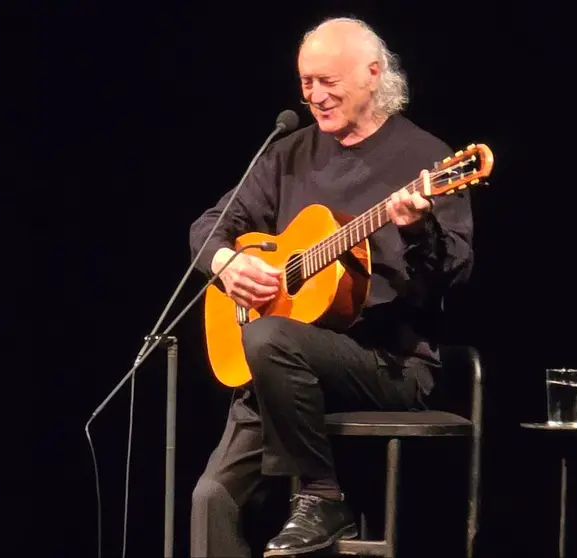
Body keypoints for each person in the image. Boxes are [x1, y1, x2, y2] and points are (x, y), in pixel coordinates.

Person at [188, 16, 475, 558]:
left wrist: (417, 228)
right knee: (211, 498)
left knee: (271, 336)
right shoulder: (288, 153)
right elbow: (209, 225)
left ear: (372, 75)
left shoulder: (427, 161)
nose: (314, 96)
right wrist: (227, 263)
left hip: (385, 362)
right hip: (281, 361)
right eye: (306, 83)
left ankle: (322, 497)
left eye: (328, 81)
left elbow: (452, 274)